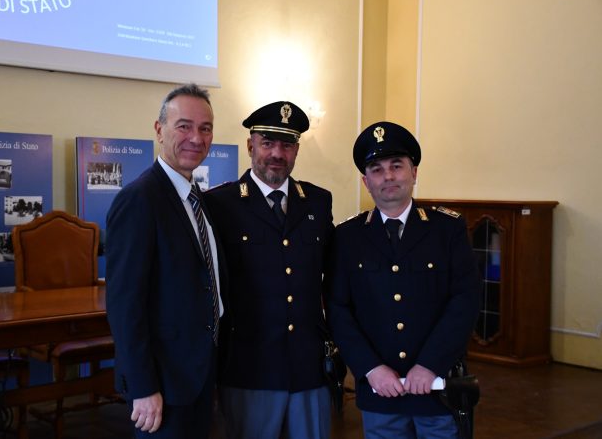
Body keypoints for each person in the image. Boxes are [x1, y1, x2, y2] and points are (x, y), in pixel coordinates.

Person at [327, 121, 481, 439]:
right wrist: (370, 369)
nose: (389, 176)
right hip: (380, 391)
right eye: (377, 169)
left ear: (414, 172)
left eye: (397, 166)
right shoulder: (346, 237)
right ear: (366, 181)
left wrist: (430, 364)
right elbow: (338, 309)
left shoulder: (447, 229)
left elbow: (464, 300)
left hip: (436, 389)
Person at [205, 101, 334, 439]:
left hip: (308, 368)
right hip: (249, 368)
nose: (277, 153)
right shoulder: (220, 205)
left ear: (296, 151)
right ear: (250, 146)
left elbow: (334, 280)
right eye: (267, 143)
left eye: (287, 144)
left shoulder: (318, 202)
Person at [105, 83, 226, 438]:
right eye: (184, 126)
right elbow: (125, 305)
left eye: (205, 128)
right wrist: (142, 386)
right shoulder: (140, 199)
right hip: (162, 386)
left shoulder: (197, 198)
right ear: (159, 130)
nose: (196, 137)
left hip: (199, 374)